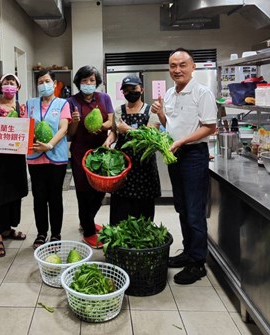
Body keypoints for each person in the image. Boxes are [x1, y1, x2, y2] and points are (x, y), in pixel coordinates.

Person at [151, 48, 217, 285]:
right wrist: (160, 115)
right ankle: (188, 252)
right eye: (172, 66)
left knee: (194, 210)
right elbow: (171, 125)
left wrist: (181, 141)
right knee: (181, 207)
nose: (177, 70)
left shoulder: (202, 93)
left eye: (182, 65)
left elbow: (210, 127)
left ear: (192, 67)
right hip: (175, 154)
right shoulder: (169, 94)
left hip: (193, 155)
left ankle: (198, 263)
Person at [103, 75, 161, 224]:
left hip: (144, 168)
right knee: (120, 209)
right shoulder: (118, 111)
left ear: (141, 89)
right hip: (123, 167)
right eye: (126, 90)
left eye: (134, 89)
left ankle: (141, 243)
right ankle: (119, 243)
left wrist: (128, 129)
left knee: (143, 212)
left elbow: (151, 137)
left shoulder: (151, 111)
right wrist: (108, 141)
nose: (130, 93)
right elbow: (115, 132)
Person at [67, 65, 114, 248]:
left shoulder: (104, 98)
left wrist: (100, 127)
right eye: (84, 80)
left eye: (91, 80)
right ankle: (88, 230)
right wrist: (76, 122)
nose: (88, 83)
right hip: (80, 150)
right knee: (83, 190)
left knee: (100, 189)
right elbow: (70, 132)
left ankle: (87, 219)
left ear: (97, 82)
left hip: (100, 150)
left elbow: (111, 121)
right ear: (78, 82)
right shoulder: (71, 101)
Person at [0, 73, 28, 257]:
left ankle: (8, 229)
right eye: (6, 83)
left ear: (18, 88)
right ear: (0, 87)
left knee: (14, 195)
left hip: (16, 159)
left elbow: (26, 130)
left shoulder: (21, 108)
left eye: (12, 83)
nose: (9, 86)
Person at [26, 70, 71, 249]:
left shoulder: (62, 104)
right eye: (40, 82)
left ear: (54, 83)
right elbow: (24, 127)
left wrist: (49, 145)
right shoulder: (30, 104)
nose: (43, 85)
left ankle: (56, 234)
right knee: (38, 198)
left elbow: (64, 128)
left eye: (47, 81)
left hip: (55, 158)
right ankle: (41, 233)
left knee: (54, 197)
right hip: (34, 157)